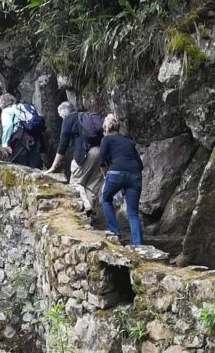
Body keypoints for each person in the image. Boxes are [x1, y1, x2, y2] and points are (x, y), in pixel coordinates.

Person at [46, 101, 103, 220]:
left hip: (85, 153)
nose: (62, 119)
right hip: (101, 152)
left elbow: (63, 144)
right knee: (91, 186)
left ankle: (86, 211)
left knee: (75, 183)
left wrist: (54, 165)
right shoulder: (85, 117)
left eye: (61, 117)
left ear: (63, 113)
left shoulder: (68, 119)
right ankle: (91, 216)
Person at [99, 115, 144, 246]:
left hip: (115, 174)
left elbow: (102, 162)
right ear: (118, 128)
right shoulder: (128, 141)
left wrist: (106, 177)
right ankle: (138, 245)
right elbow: (140, 165)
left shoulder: (106, 139)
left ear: (106, 129)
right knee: (133, 213)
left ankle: (115, 232)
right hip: (135, 175)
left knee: (105, 199)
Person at [0, 93, 45, 168]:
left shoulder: (6, 111)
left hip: (20, 138)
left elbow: (8, 126)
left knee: (17, 166)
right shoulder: (23, 107)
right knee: (34, 165)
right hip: (35, 136)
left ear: (2, 104)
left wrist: (5, 144)